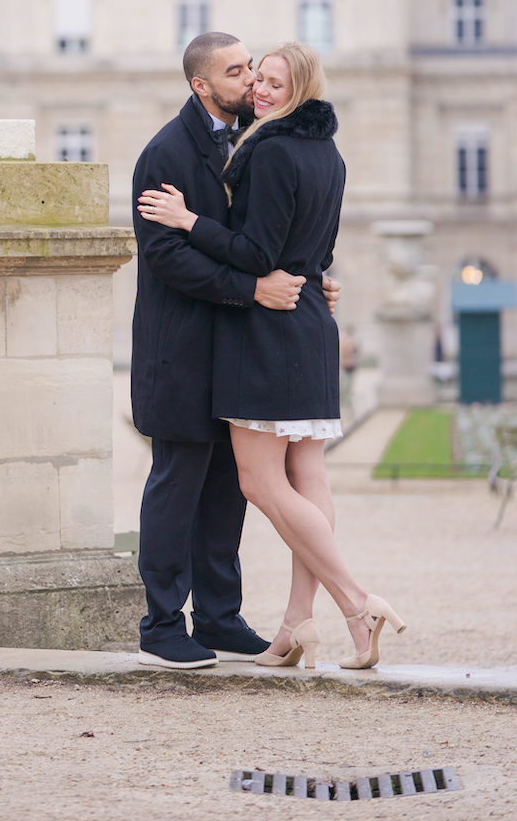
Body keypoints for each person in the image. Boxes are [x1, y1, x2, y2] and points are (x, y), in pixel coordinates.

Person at [138, 42, 405, 670]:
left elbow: (273, 246)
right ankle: (166, 623)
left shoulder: (264, 144)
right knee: (187, 483)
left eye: (263, 75)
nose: (254, 84)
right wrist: (278, 281)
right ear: (203, 86)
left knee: (241, 486)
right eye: (244, 75)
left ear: (296, 89)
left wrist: (311, 275)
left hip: (261, 333)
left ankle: (233, 616)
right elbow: (165, 257)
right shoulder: (170, 152)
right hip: (196, 344)